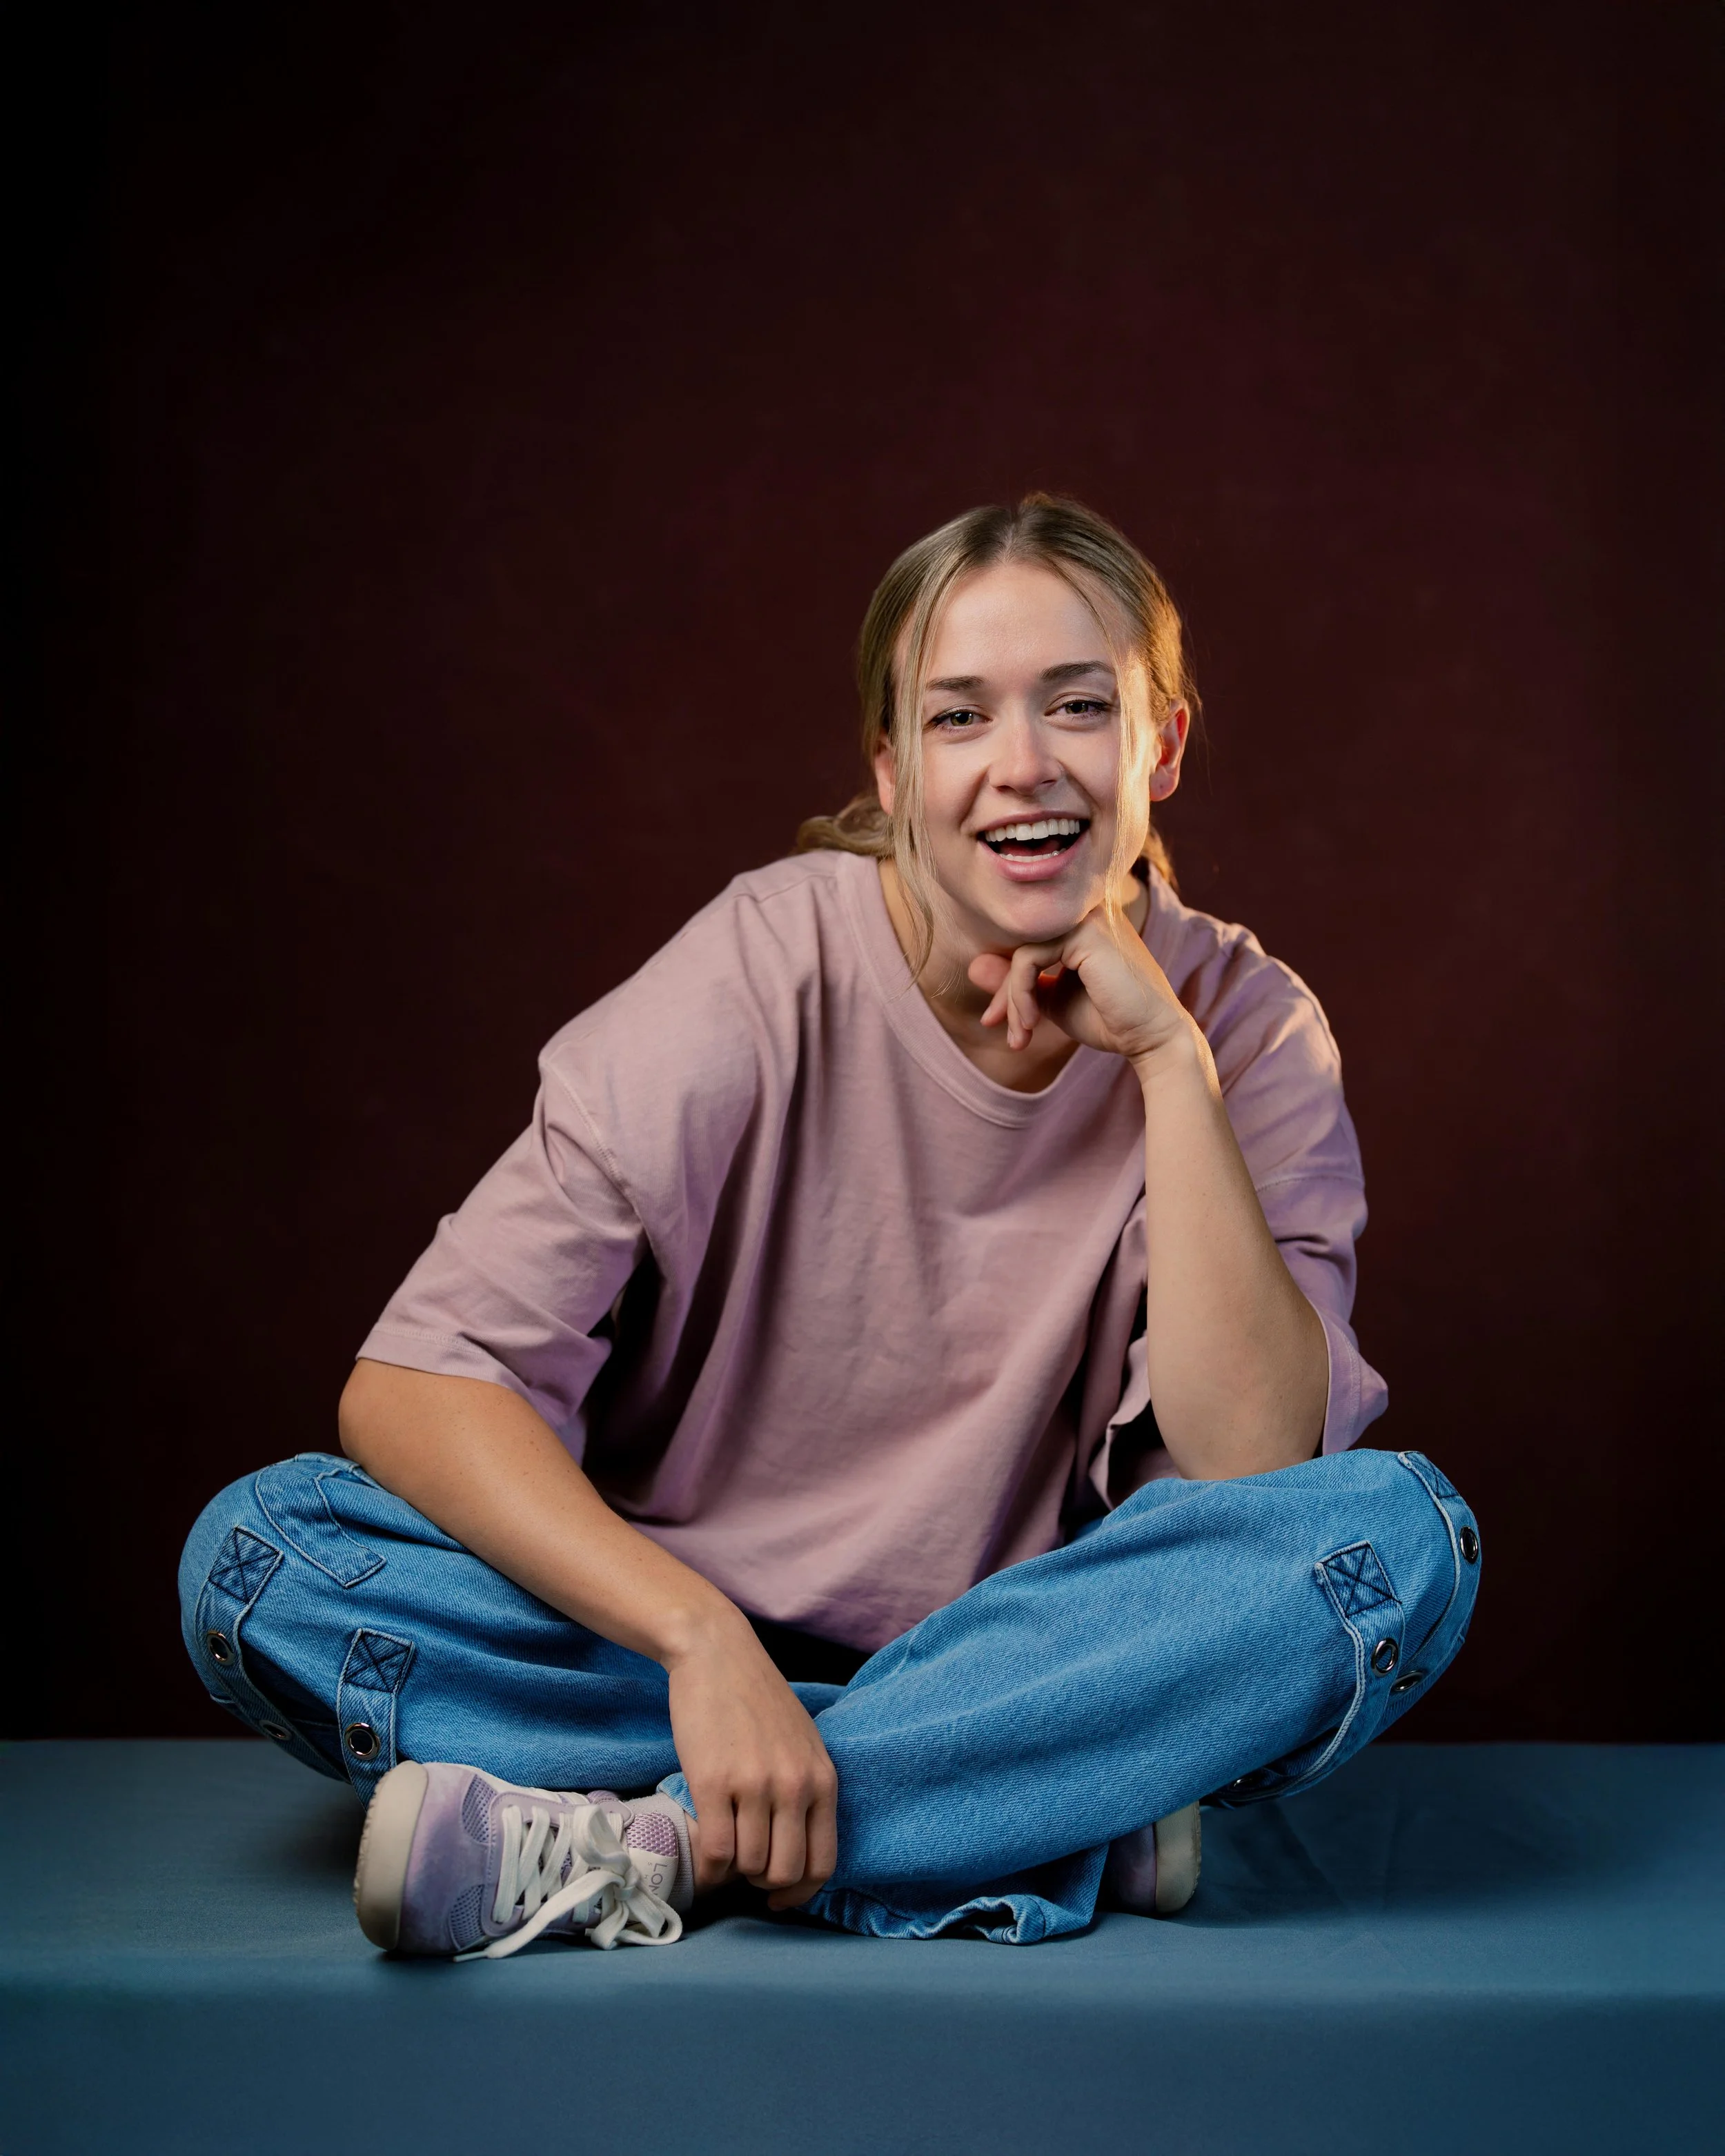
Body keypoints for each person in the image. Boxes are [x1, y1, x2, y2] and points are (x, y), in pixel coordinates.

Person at [179, 495, 1479, 1958]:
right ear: (891, 763)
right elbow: (413, 1385)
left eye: (1076, 703)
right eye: (956, 716)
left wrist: (1168, 1065)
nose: (1022, 764)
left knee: (1394, 1534)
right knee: (256, 1555)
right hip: (665, 1640)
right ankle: (1024, 1803)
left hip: (1036, 1645)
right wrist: (698, 1640)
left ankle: (658, 1841)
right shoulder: (757, 967)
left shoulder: (1245, 1026)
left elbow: (1248, 1462)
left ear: (1160, 742)